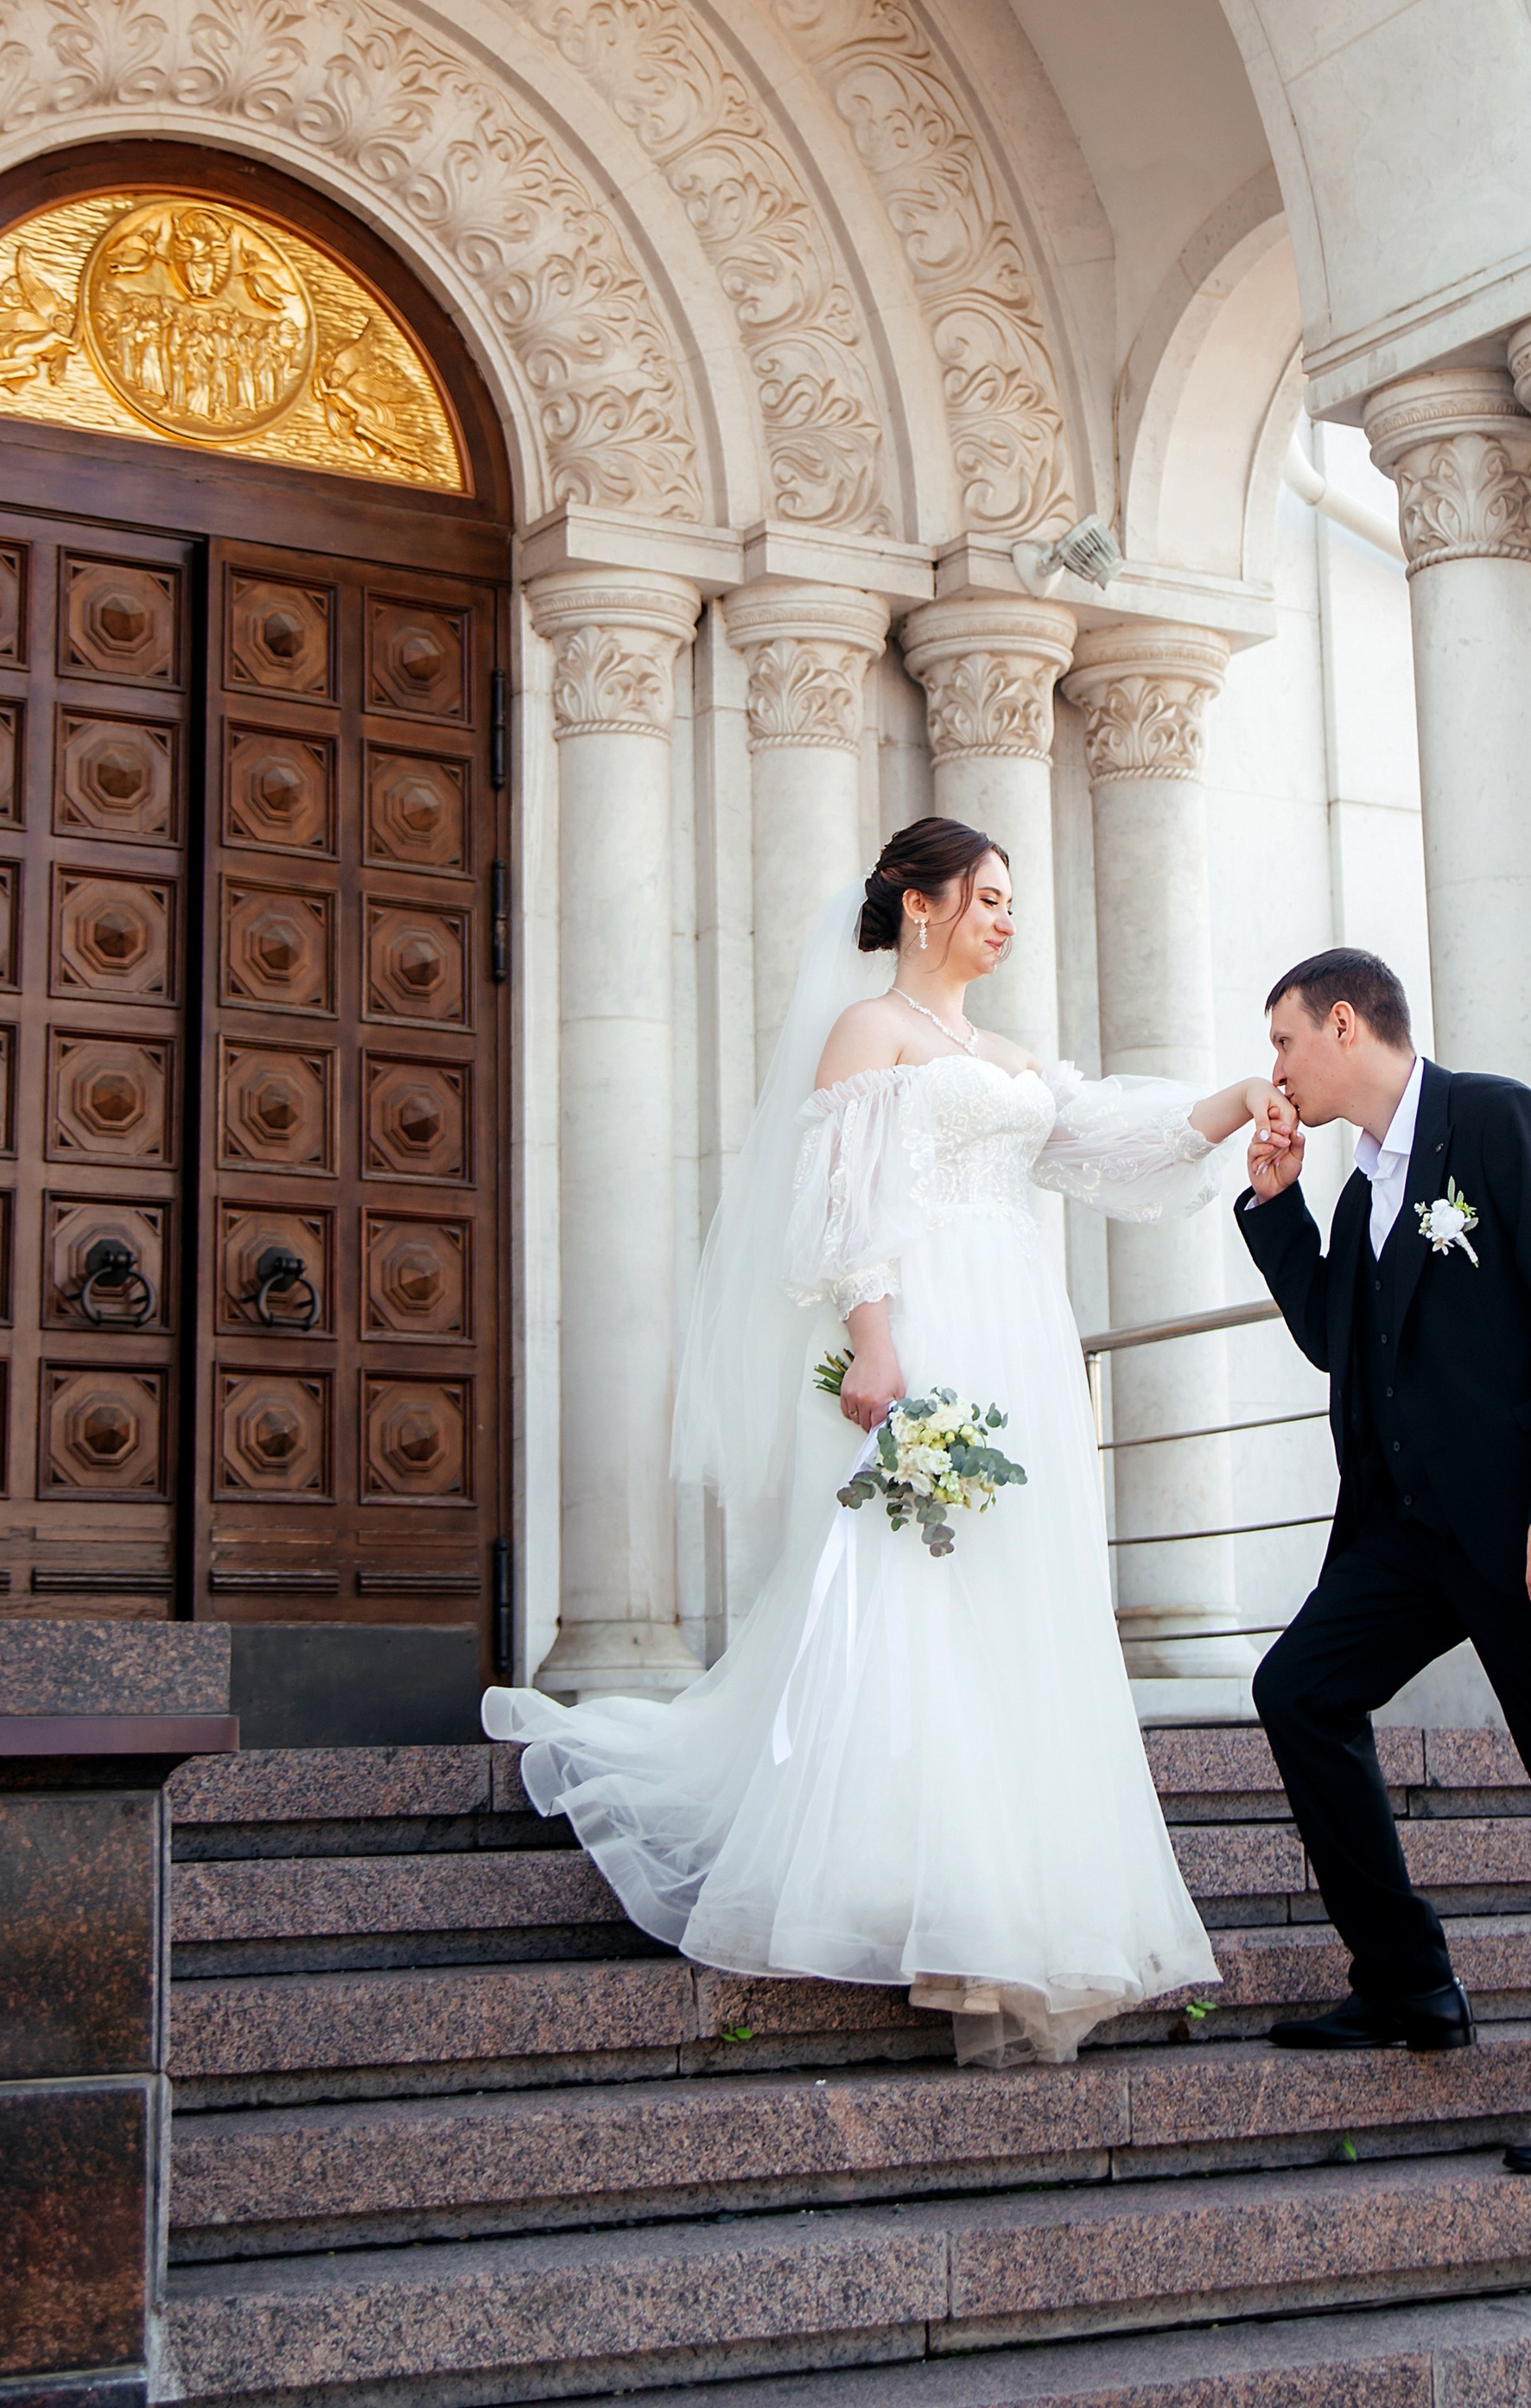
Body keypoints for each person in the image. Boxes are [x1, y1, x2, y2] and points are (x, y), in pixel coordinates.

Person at [486, 818, 1291, 2067]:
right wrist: (873, 1334)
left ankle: (1003, 1897)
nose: (1005, 919)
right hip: (924, 1330)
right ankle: (914, 1894)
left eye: (1013, 901)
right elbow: (837, 1198)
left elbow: (1111, 1147)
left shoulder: (1007, 1055)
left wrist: (1239, 1101)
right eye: (987, 896)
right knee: (912, 1589)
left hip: (1018, 1335)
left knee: (1011, 1600)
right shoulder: (869, 1033)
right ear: (919, 906)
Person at [1236, 946, 1531, 2173]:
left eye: (1282, 1043)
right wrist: (1277, 1207)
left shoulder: (1499, 1124)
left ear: (1342, 1024)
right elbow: (1344, 1342)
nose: (1272, 1070)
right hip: (1419, 1529)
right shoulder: (1359, 1187)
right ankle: (1408, 1983)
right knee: (1299, 1691)